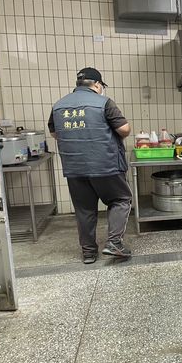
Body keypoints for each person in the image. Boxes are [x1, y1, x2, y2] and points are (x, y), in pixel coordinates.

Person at [48, 68, 132, 264]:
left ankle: (88, 253)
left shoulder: (59, 105)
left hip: (75, 167)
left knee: (84, 209)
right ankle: (114, 243)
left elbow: (54, 133)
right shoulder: (104, 103)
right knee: (120, 199)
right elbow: (124, 130)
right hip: (106, 165)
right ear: (97, 85)